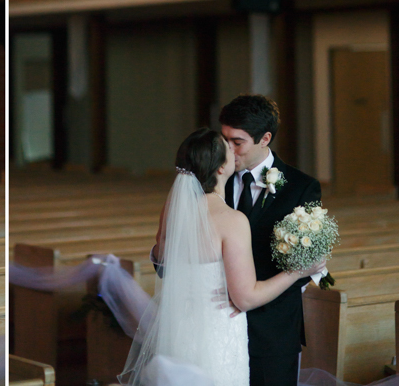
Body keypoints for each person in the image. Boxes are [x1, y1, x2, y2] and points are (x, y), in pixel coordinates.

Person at [124, 128, 324, 386]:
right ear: (220, 168)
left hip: (180, 329)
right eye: (227, 147)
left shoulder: (173, 209)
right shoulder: (231, 220)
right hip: (218, 332)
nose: (233, 148)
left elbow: (162, 258)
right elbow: (246, 297)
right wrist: (299, 271)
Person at [220, 94, 322, 386]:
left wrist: (250, 294)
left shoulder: (301, 187)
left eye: (237, 143)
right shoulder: (214, 180)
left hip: (272, 328)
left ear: (265, 139)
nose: (228, 152)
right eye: (224, 140)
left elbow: (305, 259)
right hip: (218, 322)